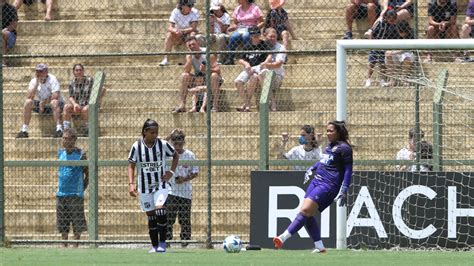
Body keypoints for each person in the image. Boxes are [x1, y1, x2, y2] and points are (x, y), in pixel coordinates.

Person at [273, 120, 353, 253]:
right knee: (307, 215)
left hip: (329, 185)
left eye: (331, 131)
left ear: (339, 132)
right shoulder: (329, 146)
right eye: (327, 130)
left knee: (304, 211)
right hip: (316, 181)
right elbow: (323, 162)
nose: (328, 133)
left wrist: (344, 188)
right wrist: (312, 168)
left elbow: (348, 170)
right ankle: (319, 246)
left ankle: (283, 237)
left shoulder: (345, 148)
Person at [128, 119, 179, 253]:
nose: (155, 135)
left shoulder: (162, 144)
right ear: (145, 132)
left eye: (156, 132)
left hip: (160, 184)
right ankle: (154, 246)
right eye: (152, 132)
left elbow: (175, 155)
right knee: (151, 216)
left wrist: (171, 172)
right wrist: (131, 184)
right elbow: (131, 165)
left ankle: (163, 244)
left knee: (160, 210)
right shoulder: (137, 146)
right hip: (144, 187)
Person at [165, 129, 199, 248]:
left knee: (184, 218)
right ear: (172, 143)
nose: (178, 147)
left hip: (185, 193)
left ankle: (185, 239)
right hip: (171, 191)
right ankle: (167, 238)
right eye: (175, 144)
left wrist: (184, 179)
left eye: (180, 144)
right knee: (169, 217)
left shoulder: (190, 155)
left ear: (184, 142)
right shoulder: (168, 153)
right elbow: (157, 147)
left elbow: (195, 172)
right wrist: (168, 136)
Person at [172, 36, 223, 113]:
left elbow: (218, 70)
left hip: (211, 77)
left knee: (214, 76)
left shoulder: (207, 53)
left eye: (193, 44)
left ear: (198, 43)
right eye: (189, 46)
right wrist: (189, 59)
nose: (192, 47)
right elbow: (186, 71)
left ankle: (216, 105)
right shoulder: (189, 55)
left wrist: (207, 70)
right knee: (184, 76)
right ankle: (182, 105)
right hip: (199, 78)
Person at [56, 128, 88, 248]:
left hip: (75, 193)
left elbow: (87, 173)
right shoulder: (60, 153)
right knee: (63, 222)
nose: (65, 141)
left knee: (77, 221)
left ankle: (76, 245)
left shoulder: (80, 154)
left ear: (74, 140)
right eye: (63, 138)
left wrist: (82, 187)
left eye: (68, 138)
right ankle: (64, 245)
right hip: (61, 193)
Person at [16, 63, 64, 138]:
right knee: (28, 102)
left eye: (41, 71)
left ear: (46, 72)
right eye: (37, 71)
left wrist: (44, 102)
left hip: (56, 105)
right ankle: (24, 130)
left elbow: (56, 95)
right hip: (41, 105)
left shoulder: (52, 79)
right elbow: (29, 96)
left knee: (54, 102)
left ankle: (59, 130)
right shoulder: (34, 81)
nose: (39, 73)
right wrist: (36, 84)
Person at [234, 26, 271, 112]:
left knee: (254, 77)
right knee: (237, 82)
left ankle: (247, 105)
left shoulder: (264, 44)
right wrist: (246, 63)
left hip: (260, 66)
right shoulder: (247, 46)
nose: (256, 37)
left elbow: (270, 55)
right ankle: (247, 103)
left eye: (258, 35)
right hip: (249, 67)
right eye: (254, 36)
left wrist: (265, 62)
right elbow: (239, 59)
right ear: (250, 36)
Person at [63, 63, 106, 134]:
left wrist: (95, 102)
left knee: (86, 109)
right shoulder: (72, 83)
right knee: (66, 107)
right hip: (78, 106)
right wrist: (74, 104)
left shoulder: (90, 80)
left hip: (89, 106)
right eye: (76, 70)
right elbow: (71, 96)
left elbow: (103, 89)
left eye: (80, 70)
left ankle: (88, 128)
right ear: (73, 72)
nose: (79, 72)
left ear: (83, 71)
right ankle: (66, 129)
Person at [363, 10, 399, 88]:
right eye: (391, 20)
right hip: (376, 45)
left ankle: (382, 79)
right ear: (386, 17)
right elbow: (372, 32)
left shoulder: (393, 26)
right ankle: (368, 79)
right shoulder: (379, 23)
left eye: (394, 20)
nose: (393, 22)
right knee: (372, 62)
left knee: (383, 63)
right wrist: (372, 42)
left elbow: (395, 37)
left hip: (385, 47)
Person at [254, 27, 286, 111]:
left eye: (274, 36)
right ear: (264, 36)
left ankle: (268, 101)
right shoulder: (261, 46)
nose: (272, 38)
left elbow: (278, 64)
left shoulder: (280, 48)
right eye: (270, 36)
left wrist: (266, 65)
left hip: (276, 77)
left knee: (264, 72)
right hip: (260, 76)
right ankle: (272, 101)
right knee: (261, 73)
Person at [159, 0, 199, 66]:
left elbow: (193, 28)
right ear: (182, 6)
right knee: (169, 34)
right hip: (178, 35)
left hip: (188, 33)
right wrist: (175, 31)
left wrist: (182, 31)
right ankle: (165, 59)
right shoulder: (175, 11)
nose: (191, 7)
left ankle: (193, 59)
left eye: (192, 5)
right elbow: (170, 27)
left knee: (193, 34)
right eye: (189, 5)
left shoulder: (194, 12)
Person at [223, 0, 263, 65]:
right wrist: (232, 27)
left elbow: (262, 22)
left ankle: (247, 57)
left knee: (246, 36)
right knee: (233, 37)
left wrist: (255, 28)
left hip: (251, 29)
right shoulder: (237, 9)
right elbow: (236, 23)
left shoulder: (255, 8)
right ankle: (230, 58)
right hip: (240, 29)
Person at [197, 0, 231, 64]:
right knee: (199, 37)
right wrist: (211, 23)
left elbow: (223, 30)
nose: (215, 11)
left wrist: (217, 20)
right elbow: (210, 31)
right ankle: (203, 59)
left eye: (216, 10)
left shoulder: (226, 16)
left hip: (223, 34)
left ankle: (219, 60)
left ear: (220, 8)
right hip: (213, 34)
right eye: (214, 10)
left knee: (220, 37)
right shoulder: (212, 16)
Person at [383, 20, 414, 87]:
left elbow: (407, 48)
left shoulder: (412, 32)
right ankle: (392, 80)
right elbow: (389, 44)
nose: (402, 34)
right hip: (395, 52)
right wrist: (390, 52)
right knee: (388, 54)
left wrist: (394, 52)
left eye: (404, 32)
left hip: (406, 52)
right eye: (400, 32)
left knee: (407, 57)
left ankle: (403, 79)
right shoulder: (393, 30)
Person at [2, 0, 18, 66]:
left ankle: (3, 61)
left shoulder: (11, 8)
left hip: (9, 35)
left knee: (4, 34)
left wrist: (4, 30)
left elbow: (14, 25)